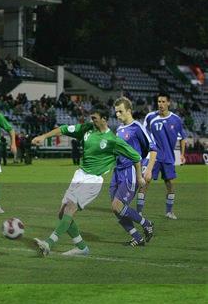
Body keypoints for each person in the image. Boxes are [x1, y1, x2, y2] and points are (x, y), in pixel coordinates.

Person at [31, 106, 145, 257]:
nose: (91, 121)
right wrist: (44, 137)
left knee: (70, 208)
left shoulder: (113, 140)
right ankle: (81, 247)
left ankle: (48, 244)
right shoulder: (86, 129)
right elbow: (64, 129)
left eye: (94, 118)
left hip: (93, 180)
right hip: (79, 175)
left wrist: (139, 177)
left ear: (104, 119)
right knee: (62, 214)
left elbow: (136, 157)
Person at [112, 97, 157, 246]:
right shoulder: (119, 129)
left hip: (130, 171)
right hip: (117, 172)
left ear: (129, 111)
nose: (117, 115)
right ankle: (137, 238)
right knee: (116, 209)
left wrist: (148, 169)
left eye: (120, 111)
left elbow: (152, 148)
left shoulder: (137, 127)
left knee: (117, 205)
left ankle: (146, 223)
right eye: (116, 112)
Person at [137, 93, 187, 219]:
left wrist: (182, 155)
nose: (161, 104)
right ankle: (138, 213)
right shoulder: (150, 117)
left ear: (169, 103)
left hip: (168, 157)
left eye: (163, 102)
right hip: (153, 156)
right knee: (145, 182)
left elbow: (183, 138)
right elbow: (144, 136)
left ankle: (169, 212)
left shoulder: (176, 120)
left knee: (170, 184)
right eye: (159, 102)